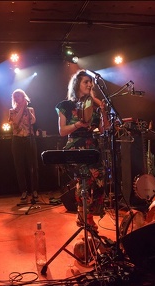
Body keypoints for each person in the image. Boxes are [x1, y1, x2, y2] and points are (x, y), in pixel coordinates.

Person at [55, 69, 109, 230]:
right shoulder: (65, 105)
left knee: (100, 180)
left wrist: (104, 111)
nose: (89, 84)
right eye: (86, 81)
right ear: (77, 84)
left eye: (90, 82)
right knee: (84, 180)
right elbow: (62, 131)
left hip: (92, 146)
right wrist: (78, 124)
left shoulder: (94, 105)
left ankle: (89, 215)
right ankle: (84, 216)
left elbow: (104, 129)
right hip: (75, 147)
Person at [8, 89, 39, 202]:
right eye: (15, 96)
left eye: (19, 96)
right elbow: (15, 122)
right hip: (17, 140)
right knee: (19, 166)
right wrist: (21, 109)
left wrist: (27, 109)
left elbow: (33, 121)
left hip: (29, 138)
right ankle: (24, 191)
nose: (17, 98)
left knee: (33, 166)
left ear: (23, 97)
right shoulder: (12, 111)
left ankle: (34, 190)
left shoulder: (30, 109)